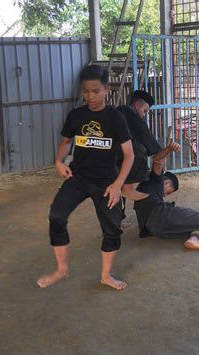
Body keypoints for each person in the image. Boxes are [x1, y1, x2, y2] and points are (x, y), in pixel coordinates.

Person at [37, 64, 135, 290]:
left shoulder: (115, 117)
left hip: (107, 183)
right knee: (56, 216)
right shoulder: (76, 115)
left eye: (96, 91)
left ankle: (106, 276)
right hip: (79, 179)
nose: (90, 96)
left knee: (112, 230)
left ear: (106, 90)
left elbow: (129, 155)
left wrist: (118, 185)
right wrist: (59, 161)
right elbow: (65, 143)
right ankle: (61, 270)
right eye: (86, 91)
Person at [116, 90, 162, 202]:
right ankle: (128, 187)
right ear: (137, 105)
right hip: (110, 152)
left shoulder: (121, 111)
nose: (144, 115)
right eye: (144, 111)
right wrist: (158, 151)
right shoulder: (128, 112)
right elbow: (143, 133)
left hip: (111, 153)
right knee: (139, 150)